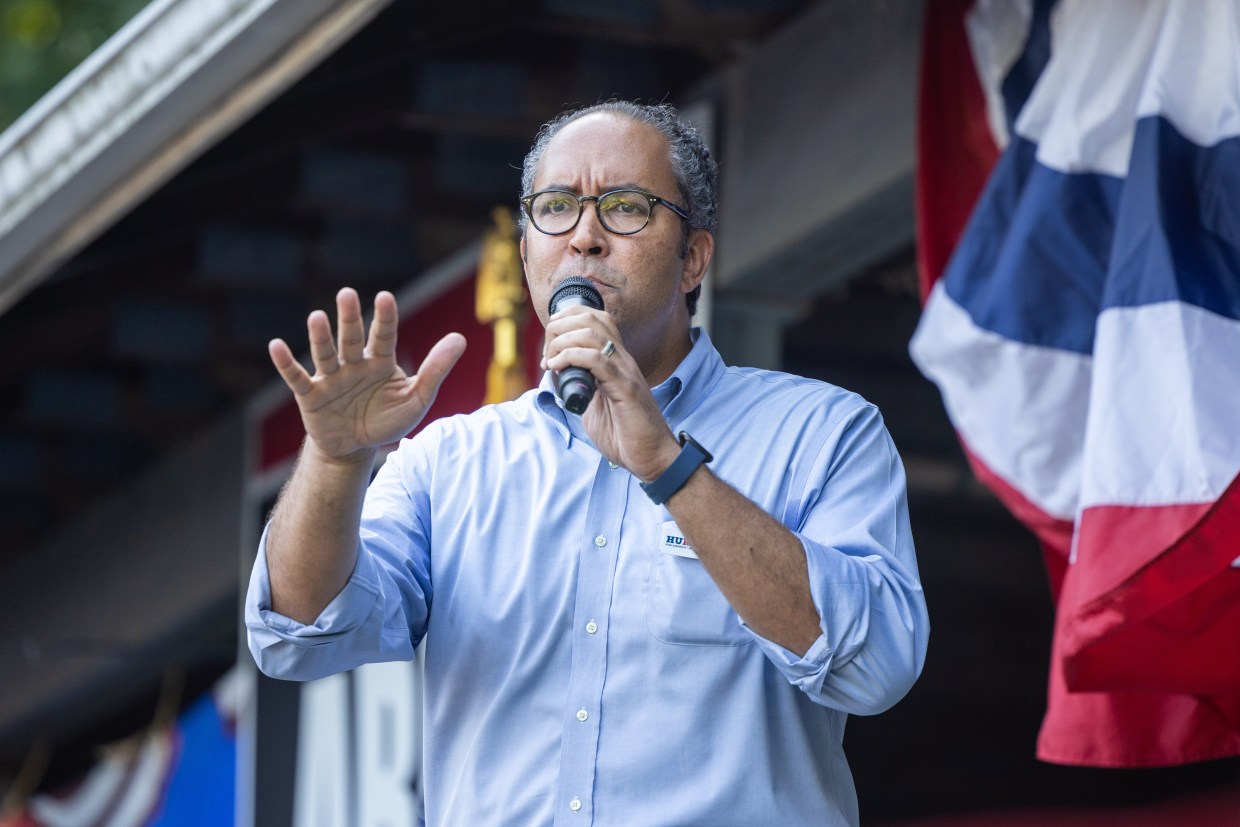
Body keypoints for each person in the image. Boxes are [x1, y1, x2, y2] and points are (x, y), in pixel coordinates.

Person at [246, 100, 929, 826]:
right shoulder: (449, 462)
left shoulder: (821, 432)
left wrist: (666, 464)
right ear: (527, 253)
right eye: (557, 207)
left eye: (626, 207)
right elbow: (297, 636)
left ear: (693, 257)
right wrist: (334, 458)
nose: (585, 236)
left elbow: (876, 666)